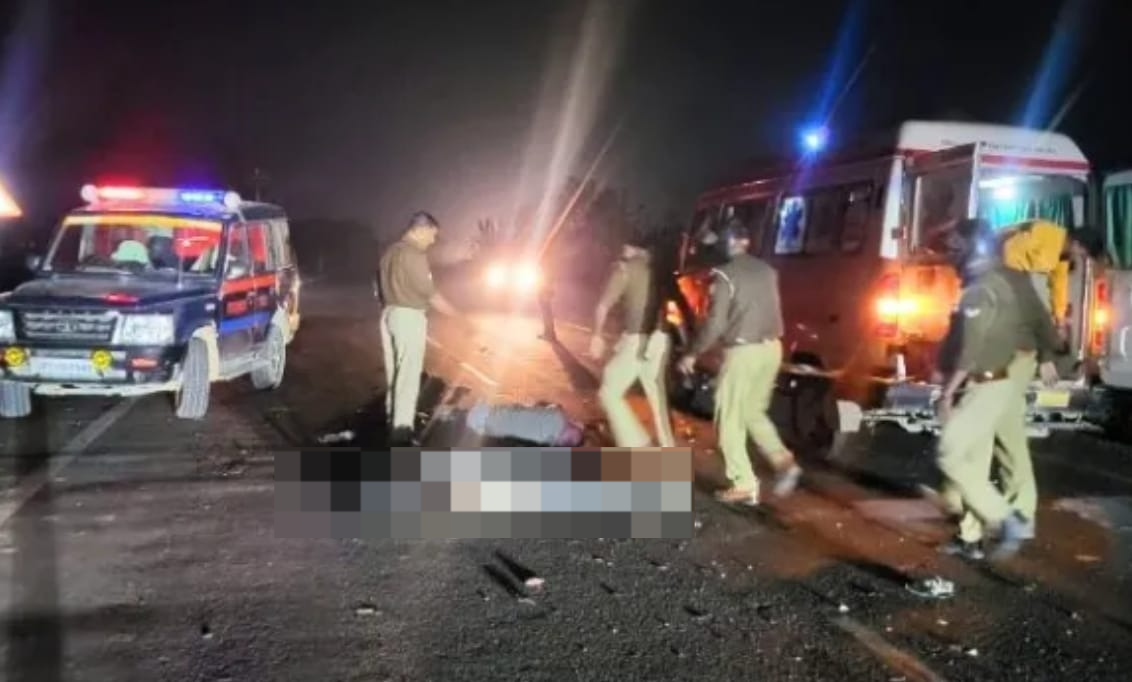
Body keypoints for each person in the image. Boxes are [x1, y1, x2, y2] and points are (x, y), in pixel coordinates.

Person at [935, 218, 1061, 560]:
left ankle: (1004, 520)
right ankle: (993, 525)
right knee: (993, 445)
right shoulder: (984, 280)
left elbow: (1039, 321)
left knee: (998, 444)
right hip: (998, 367)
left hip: (1013, 363)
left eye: (955, 248)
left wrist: (1047, 356)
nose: (950, 255)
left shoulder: (1006, 279)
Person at [675, 219, 801, 505]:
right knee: (752, 411)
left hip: (744, 352)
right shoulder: (767, 270)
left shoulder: (725, 274)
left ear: (727, 243)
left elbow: (715, 323)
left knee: (729, 416)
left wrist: (693, 352)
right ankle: (783, 461)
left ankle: (743, 482)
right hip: (772, 349)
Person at [376, 211, 458, 445]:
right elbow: (429, 293)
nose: (432, 240)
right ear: (421, 229)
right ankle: (401, 433)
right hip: (408, 317)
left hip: (388, 315)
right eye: (432, 234)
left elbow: (378, 288)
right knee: (408, 377)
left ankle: (392, 421)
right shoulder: (414, 254)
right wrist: (457, 316)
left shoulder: (389, 253)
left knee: (395, 375)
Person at [588, 233, 677, 448]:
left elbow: (602, 306)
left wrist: (597, 335)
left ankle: (638, 446)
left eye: (624, 248)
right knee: (657, 400)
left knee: (609, 392)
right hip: (661, 340)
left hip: (639, 340)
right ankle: (668, 451)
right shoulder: (660, 270)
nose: (622, 252)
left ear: (631, 247)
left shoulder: (625, 268)